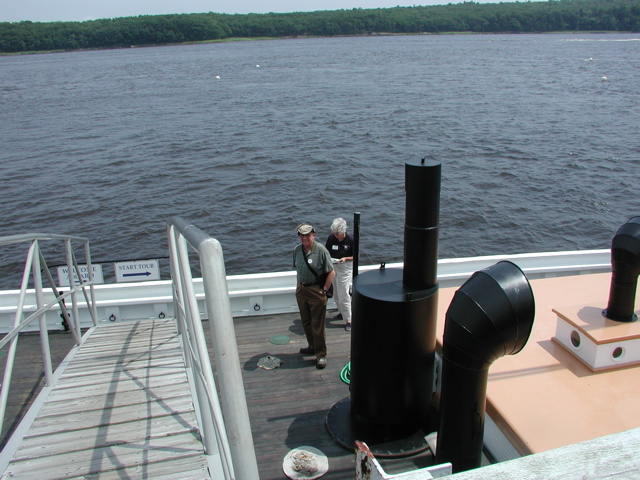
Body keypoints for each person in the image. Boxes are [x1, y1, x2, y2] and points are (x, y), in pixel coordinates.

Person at [292, 223, 335, 369]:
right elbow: (297, 268)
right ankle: (311, 346)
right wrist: (299, 286)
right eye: (302, 235)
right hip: (301, 289)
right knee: (306, 321)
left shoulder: (321, 250)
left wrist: (324, 289)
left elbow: (331, 272)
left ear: (313, 235)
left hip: (316, 291)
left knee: (317, 324)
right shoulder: (297, 250)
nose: (304, 238)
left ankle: (320, 355)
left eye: (307, 235)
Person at [325, 218, 355, 331]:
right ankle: (341, 312)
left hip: (345, 267)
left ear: (344, 231)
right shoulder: (331, 238)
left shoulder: (351, 240)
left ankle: (349, 319)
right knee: (336, 292)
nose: (336, 235)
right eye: (334, 233)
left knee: (343, 294)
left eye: (338, 233)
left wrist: (346, 258)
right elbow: (326, 251)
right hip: (334, 266)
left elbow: (356, 256)